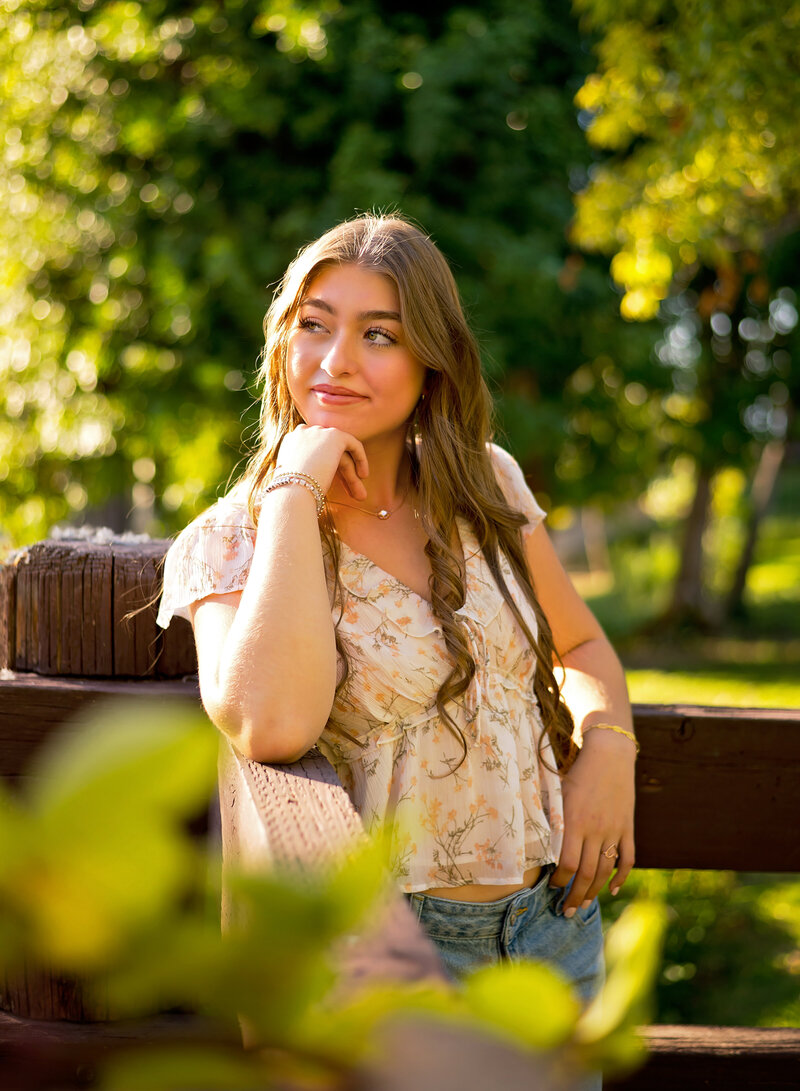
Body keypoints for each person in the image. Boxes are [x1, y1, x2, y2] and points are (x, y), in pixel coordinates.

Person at [157, 212, 636, 1043]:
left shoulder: (487, 485)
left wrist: (610, 745)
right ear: (283, 342)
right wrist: (294, 494)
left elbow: (581, 644)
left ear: (431, 361)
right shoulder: (230, 538)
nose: (337, 360)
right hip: (386, 952)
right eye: (315, 325)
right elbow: (269, 724)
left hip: (555, 929)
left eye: (380, 335)